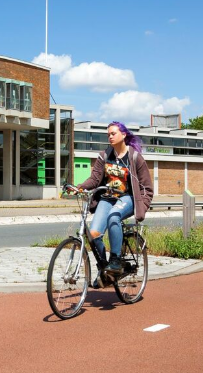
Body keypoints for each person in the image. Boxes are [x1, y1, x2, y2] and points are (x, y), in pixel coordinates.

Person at [77, 121, 153, 284]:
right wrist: (81, 187)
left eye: (113, 133)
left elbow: (147, 187)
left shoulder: (134, 157)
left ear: (123, 135)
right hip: (107, 198)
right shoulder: (104, 156)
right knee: (94, 235)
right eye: (108, 134)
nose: (110, 136)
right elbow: (95, 179)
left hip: (127, 198)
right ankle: (106, 270)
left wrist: (142, 206)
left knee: (113, 217)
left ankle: (116, 260)